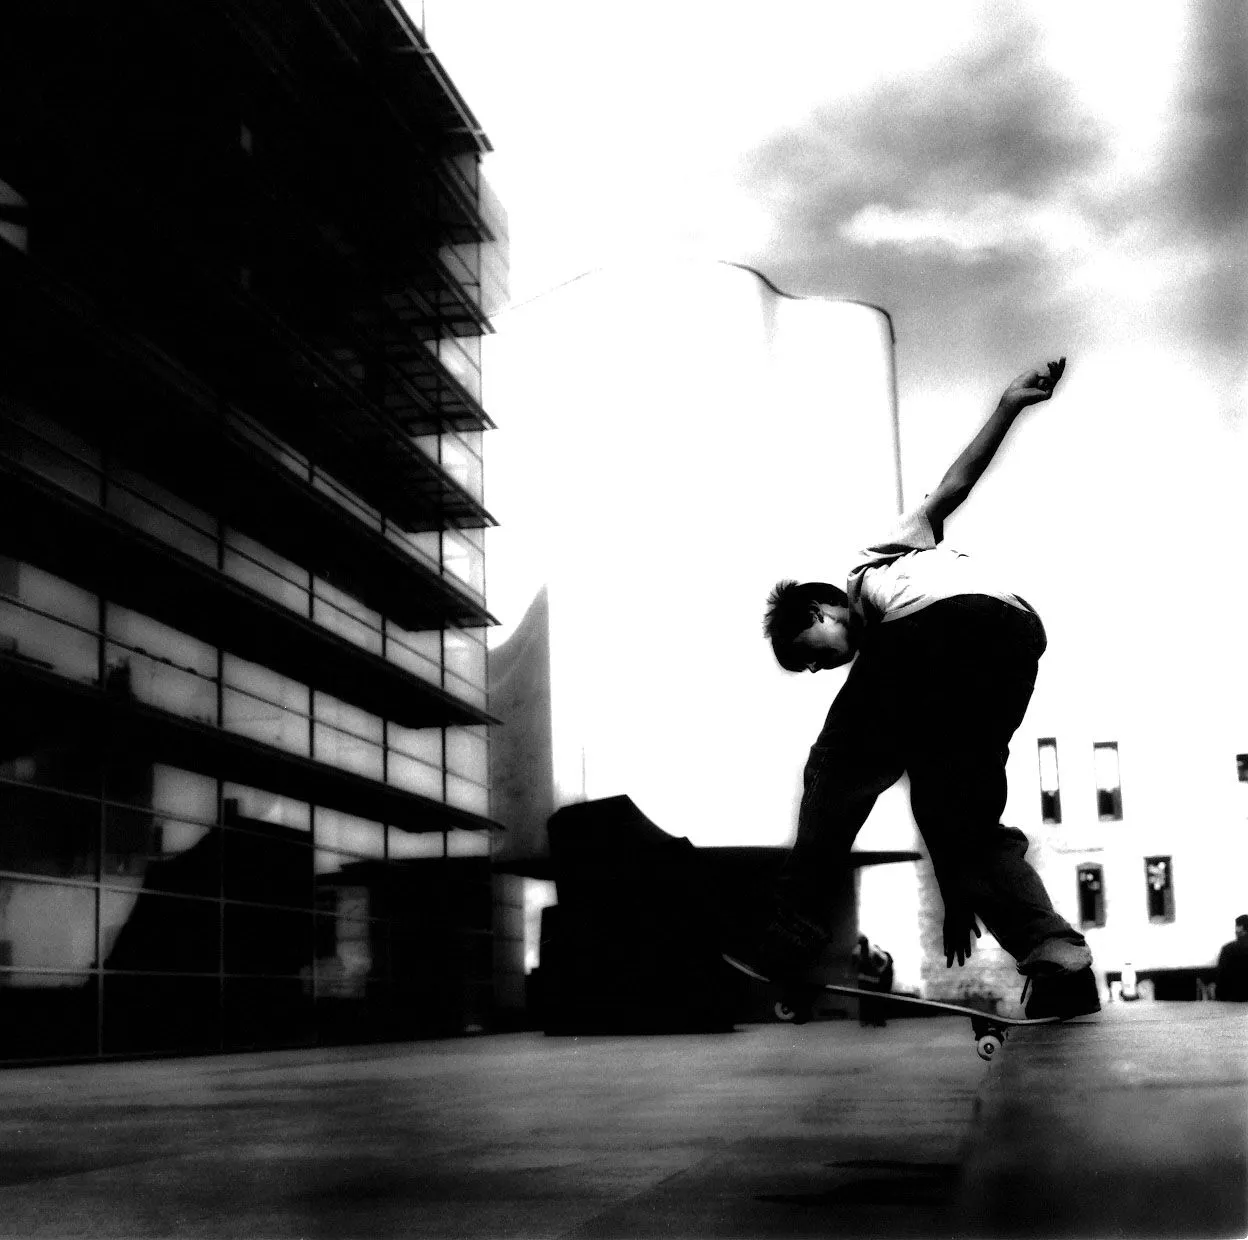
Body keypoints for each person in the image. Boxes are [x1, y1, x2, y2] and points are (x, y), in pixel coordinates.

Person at [752, 358, 1100, 1020]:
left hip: (945, 627)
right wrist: (954, 883)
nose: (826, 672)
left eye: (815, 659)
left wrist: (1005, 405)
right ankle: (1057, 953)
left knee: (833, 765)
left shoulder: (864, 564)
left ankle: (792, 926)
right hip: (1013, 641)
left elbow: (953, 486)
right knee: (963, 820)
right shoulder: (902, 636)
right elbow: (933, 790)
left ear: (823, 612)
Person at [851, 934, 894, 1027]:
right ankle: (865, 1020)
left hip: (875, 977)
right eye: (861, 944)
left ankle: (877, 1020)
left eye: (864, 944)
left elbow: (885, 961)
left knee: (876, 999)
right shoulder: (857, 952)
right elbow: (853, 964)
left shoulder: (874, 952)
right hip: (864, 978)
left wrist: (879, 972)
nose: (862, 946)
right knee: (864, 1000)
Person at [1214, 915, 1248, 1001]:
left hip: (1232, 999)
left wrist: (1218, 995)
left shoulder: (1228, 949)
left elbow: (1221, 976)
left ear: (1239, 928)